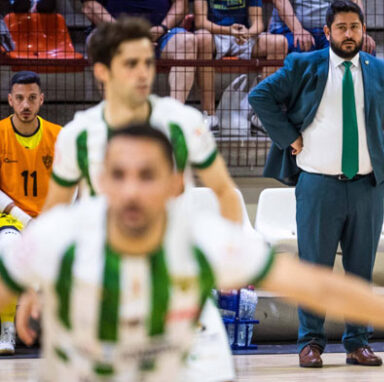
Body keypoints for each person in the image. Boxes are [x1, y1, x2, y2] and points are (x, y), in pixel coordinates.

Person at [0, 124, 384, 381]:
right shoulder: (60, 237)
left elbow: (322, 285)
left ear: (174, 183)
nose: (131, 190)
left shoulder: (201, 241)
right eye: (118, 175)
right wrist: (28, 286)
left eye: (146, 175)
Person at [24, 17, 241, 382]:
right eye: (131, 63)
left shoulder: (183, 122)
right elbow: (54, 216)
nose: (143, 73)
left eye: (148, 62)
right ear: (102, 72)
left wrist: (233, 256)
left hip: (179, 280)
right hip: (103, 287)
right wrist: (35, 283)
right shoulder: (78, 134)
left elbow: (224, 191)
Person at [249, 0, 384, 368]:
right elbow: (259, 96)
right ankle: (310, 343)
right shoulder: (303, 64)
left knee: (360, 270)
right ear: (327, 32)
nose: (349, 34)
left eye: (355, 27)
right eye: (341, 27)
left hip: (367, 188)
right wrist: (289, 137)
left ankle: (358, 343)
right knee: (315, 267)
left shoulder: (381, 71)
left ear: (363, 30)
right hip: (317, 184)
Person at [0, 71, 62, 355]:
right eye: (21, 99)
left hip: (47, 220)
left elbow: (70, 186)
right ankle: (7, 329)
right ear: (10, 100)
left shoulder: (58, 136)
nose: (26, 105)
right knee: (10, 248)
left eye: (32, 98)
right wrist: (23, 218)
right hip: (8, 218)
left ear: (42, 100)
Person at [80, 0, 217, 127]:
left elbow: (181, 6)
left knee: (187, 41)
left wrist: (162, 28)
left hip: (162, 33)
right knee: (98, 42)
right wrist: (124, 33)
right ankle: (115, 116)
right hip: (114, 33)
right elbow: (89, 6)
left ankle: (174, 117)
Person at [194, 0, 289, 133]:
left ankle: (260, 115)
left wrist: (247, 34)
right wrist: (228, 31)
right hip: (214, 34)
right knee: (201, 38)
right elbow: (200, 22)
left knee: (279, 43)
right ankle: (209, 115)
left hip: (242, 35)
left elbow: (258, 23)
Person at [269, 0, 375, 54]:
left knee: (363, 47)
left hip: (328, 30)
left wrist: (360, 32)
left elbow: (355, 1)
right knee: (300, 47)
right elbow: (280, 2)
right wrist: (298, 30)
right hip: (289, 29)